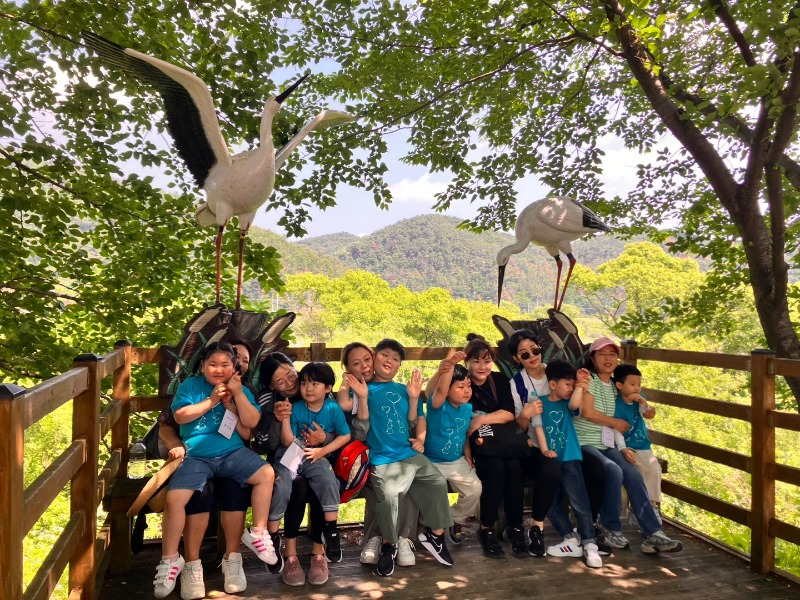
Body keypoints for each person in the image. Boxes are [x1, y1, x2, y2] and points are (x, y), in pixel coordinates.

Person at [154, 342, 277, 599]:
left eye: (225, 365)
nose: (218, 369)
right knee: (175, 498)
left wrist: (237, 395)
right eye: (212, 364)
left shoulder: (240, 388)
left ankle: (257, 533)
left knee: (266, 473)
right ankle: (171, 560)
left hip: (232, 453)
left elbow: (252, 423)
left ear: (234, 367)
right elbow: (179, 416)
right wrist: (211, 401)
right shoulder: (190, 386)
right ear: (202, 365)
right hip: (197, 456)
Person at [574, 336, 682, 554]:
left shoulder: (615, 385)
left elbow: (639, 404)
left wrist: (645, 407)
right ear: (592, 358)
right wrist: (615, 422)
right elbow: (586, 412)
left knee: (633, 472)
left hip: (609, 443)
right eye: (602, 354)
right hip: (585, 442)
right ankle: (610, 527)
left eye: (612, 354)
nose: (608, 358)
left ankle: (653, 533)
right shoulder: (589, 380)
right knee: (613, 470)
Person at [507, 329, 607, 556]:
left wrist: (581, 384)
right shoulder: (518, 384)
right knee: (551, 472)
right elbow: (518, 427)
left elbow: (576, 405)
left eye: (535, 350)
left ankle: (588, 530)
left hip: (567, 444)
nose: (532, 356)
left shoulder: (557, 371)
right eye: (524, 354)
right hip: (535, 447)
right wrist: (526, 414)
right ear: (516, 358)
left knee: (598, 468)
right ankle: (561, 533)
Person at [451, 334, 550, 559]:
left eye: (487, 361)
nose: (482, 367)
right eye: (476, 361)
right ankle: (486, 528)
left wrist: (481, 419)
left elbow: (508, 413)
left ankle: (515, 528)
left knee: (514, 471)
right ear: (467, 363)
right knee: (494, 471)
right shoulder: (463, 383)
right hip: (478, 444)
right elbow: (439, 399)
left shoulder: (498, 380)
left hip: (504, 441)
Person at [363, 338, 454, 576]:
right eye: (384, 355)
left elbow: (414, 419)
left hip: (407, 452)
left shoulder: (404, 389)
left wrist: (414, 398)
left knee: (437, 481)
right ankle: (389, 544)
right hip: (382, 457)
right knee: (390, 495)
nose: (389, 361)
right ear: (374, 357)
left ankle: (436, 536)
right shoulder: (365, 389)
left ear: (399, 366)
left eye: (395, 359)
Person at [337, 342, 420, 569]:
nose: (364, 366)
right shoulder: (355, 390)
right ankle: (376, 537)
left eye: (367, 359)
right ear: (348, 369)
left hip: (393, 453)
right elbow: (356, 427)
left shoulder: (387, 388)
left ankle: (401, 538)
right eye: (356, 363)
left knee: (407, 479)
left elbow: (411, 421)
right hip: (363, 457)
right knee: (378, 484)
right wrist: (346, 382)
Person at [252, 352, 331, 586]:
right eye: (280, 381)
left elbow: (337, 425)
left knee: (322, 480)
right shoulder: (268, 400)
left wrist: (324, 438)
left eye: (290, 374)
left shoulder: (314, 382)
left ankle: (319, 552)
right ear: (271, 386)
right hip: (284, 459)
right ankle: (290, 554)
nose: (290, 383)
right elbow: (264, 444)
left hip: (318, 454)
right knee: (298, 485)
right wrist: (278, 420)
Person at [270, 362, 351, 586]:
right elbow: (287, 441)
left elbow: (345, 435)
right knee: (283, 482)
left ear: (328, 388)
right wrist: (285, 418)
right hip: (293, 453)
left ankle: (331, 533)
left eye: (315, 384)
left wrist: (323, 450)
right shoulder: (295, 408)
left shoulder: (332, 408)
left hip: (315, 455)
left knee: (327, 477)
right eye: (304, 383)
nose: (307, 388)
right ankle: (272, 537)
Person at [540, 360, 603, 568]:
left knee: (579, 502)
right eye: (567, 384)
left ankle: (590, 543)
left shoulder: (569, 405)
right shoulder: (539, 402)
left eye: (572, 384)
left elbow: (575, 404)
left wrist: (580, 386)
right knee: (550, 503)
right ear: (552, 384)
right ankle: (570, 539)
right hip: (549, 461)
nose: (570, 388)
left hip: (570, 458)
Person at [422, 351, 482, 545]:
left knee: (475, 488)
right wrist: (450, 366)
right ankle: (433, 524)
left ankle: (454, 519)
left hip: (456, 461)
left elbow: (464, 435)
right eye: (460, 387)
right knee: (434, 489)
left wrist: (468, 455)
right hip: (432, 462)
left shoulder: (467, 409)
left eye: (468, 386)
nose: (466, 391)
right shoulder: (438, 407)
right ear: (448, 390)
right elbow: (439, 390)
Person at [612, 363, 663, 519]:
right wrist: (622, 448)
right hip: (626, 446)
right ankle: (637, 506)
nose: (637, 388)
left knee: (654, 469)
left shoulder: (640, 400)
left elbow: (647, 413)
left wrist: (643, 402)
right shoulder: (616, 404)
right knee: (638, 469)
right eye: (632, 384)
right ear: (619, 385)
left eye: (639, 384)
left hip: (643, 445)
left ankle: (652, 506)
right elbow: (616, 429)